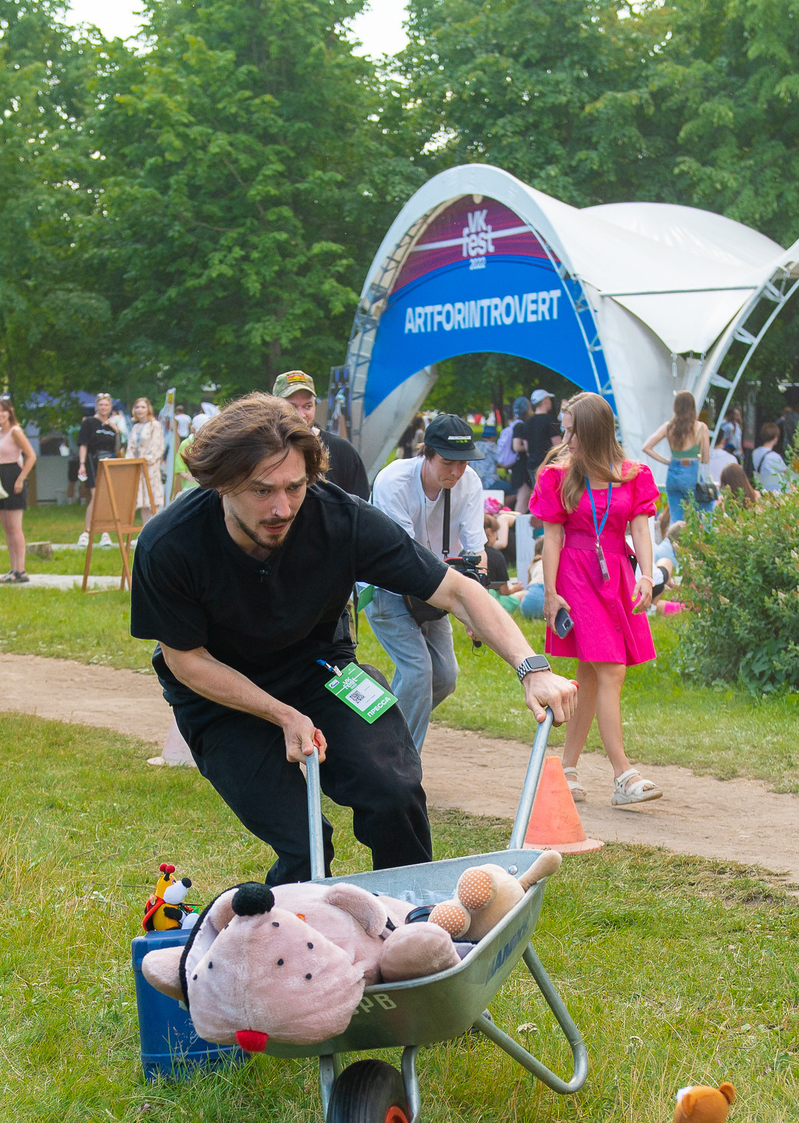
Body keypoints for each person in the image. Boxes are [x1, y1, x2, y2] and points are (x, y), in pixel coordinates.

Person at [130, 394, 576, 883]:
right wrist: (281, 714)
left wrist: (531, 667)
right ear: (221, 485)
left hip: (322, 670)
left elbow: (457, 590)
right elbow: (186, 659)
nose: (282, 508)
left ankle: (412, 923)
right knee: (306, 847)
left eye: (295, 487)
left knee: (394, 789)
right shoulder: (169, 543)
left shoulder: (338, 518)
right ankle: (281, 942)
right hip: (220, 702)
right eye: (261, 491)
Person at [531, 392, 663, 807]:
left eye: (571, 430)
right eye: (564, 429)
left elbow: (640, 529)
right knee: (611, 670)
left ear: (592, 431)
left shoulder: (633, 474)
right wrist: (551, 593)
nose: (565, 438)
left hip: (616, 575)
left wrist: (646, 573)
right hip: (576, 575)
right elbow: (552, 538)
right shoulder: (557, 476)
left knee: (591, 674)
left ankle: (567, 769)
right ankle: (623, 774)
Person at [366, 413, 489, 750]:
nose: (456, 472)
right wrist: (464, 609)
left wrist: (478, 610)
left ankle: (373, 735)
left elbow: (478, 553)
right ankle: (402, 764)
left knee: (445, 678)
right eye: (448, 462)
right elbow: (406, 561)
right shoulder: (393, 481)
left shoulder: (470, 482)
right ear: (427, 453)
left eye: (463, 463)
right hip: (386, 585)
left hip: (436, 587)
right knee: (418, 673)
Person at [272, 371, 367, 500]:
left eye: (307, 406)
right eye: (292, 407)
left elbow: (361, 507)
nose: (301, 415)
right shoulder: (266, 452)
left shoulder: (341, 450)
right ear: (273, 407)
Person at [642, 390, 707, 532]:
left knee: (676, 520)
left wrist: (667, 461)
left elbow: (646, 447)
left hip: (673, 474)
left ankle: (675, 550)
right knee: (703, 514)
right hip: (692, 473)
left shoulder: (668, 427)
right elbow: (706, 459)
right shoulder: (701, 427)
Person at [0, 395, 35, 583]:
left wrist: (21, 478)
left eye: (2, 410)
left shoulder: (16, 431)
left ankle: (21, 569)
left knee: (15, 527)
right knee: (6, 527)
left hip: (13, 474)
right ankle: (13, 567)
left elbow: (31, 455)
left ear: (9, 412)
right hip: (0, 475)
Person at [77, 392, 120, 547]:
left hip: (110, 462)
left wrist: (117, 431)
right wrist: (81, 464)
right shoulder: (89, 423)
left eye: (106, 405)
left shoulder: (113, 425)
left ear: (110, 407)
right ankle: (87, 531)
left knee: (107, 498)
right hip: (93, 461)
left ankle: (105, 532)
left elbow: (119, 447)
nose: (103, 407)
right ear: (97, 406)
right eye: (101, 405)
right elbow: (83, 444)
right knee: (96, 496)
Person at [125, 396, 168, 528]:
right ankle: (145, 530)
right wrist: (130, 462)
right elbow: (130, 448)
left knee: (153, 500)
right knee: (142, 501)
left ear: (148, 409)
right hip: (137, 468)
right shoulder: (135, 427)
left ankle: (157, 530)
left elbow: (157, 446)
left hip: (150, 468)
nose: (140, 410)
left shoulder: (154, 425)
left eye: (143, 407)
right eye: (137, 407)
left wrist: (146, 460)